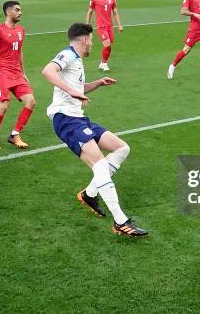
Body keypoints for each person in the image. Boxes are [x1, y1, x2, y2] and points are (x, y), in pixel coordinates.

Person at [41, 23, 148, 237]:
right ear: (84, 40)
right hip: (66, 119)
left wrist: (97, 83)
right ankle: (120, 221)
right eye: (91, 40)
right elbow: (47, 71)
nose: (93, 44)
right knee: (99, 165)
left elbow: (78, 89)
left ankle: (89, 195)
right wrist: (73, 91)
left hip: (79, 119)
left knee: (121, 148)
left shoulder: (77, 60)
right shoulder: (67, 55)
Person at [0, 1, 36, 150]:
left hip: (16, 72)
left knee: (30, 101)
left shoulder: (21, 30)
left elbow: (19, 51)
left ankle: (14, 135)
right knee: (3, 106)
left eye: (20, 10)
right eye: (17, 10)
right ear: (8, 12)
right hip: (2, 71)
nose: (20, 12)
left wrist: (23, 72)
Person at [86, 0, 123, 71]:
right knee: (107, 44)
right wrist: (87, 24)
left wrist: (119, 25)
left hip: (110, 26)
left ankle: (103, 63)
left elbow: (115, 13)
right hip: (101, 26)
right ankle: (104, 64)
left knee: (109, 46)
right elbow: (90, 12)